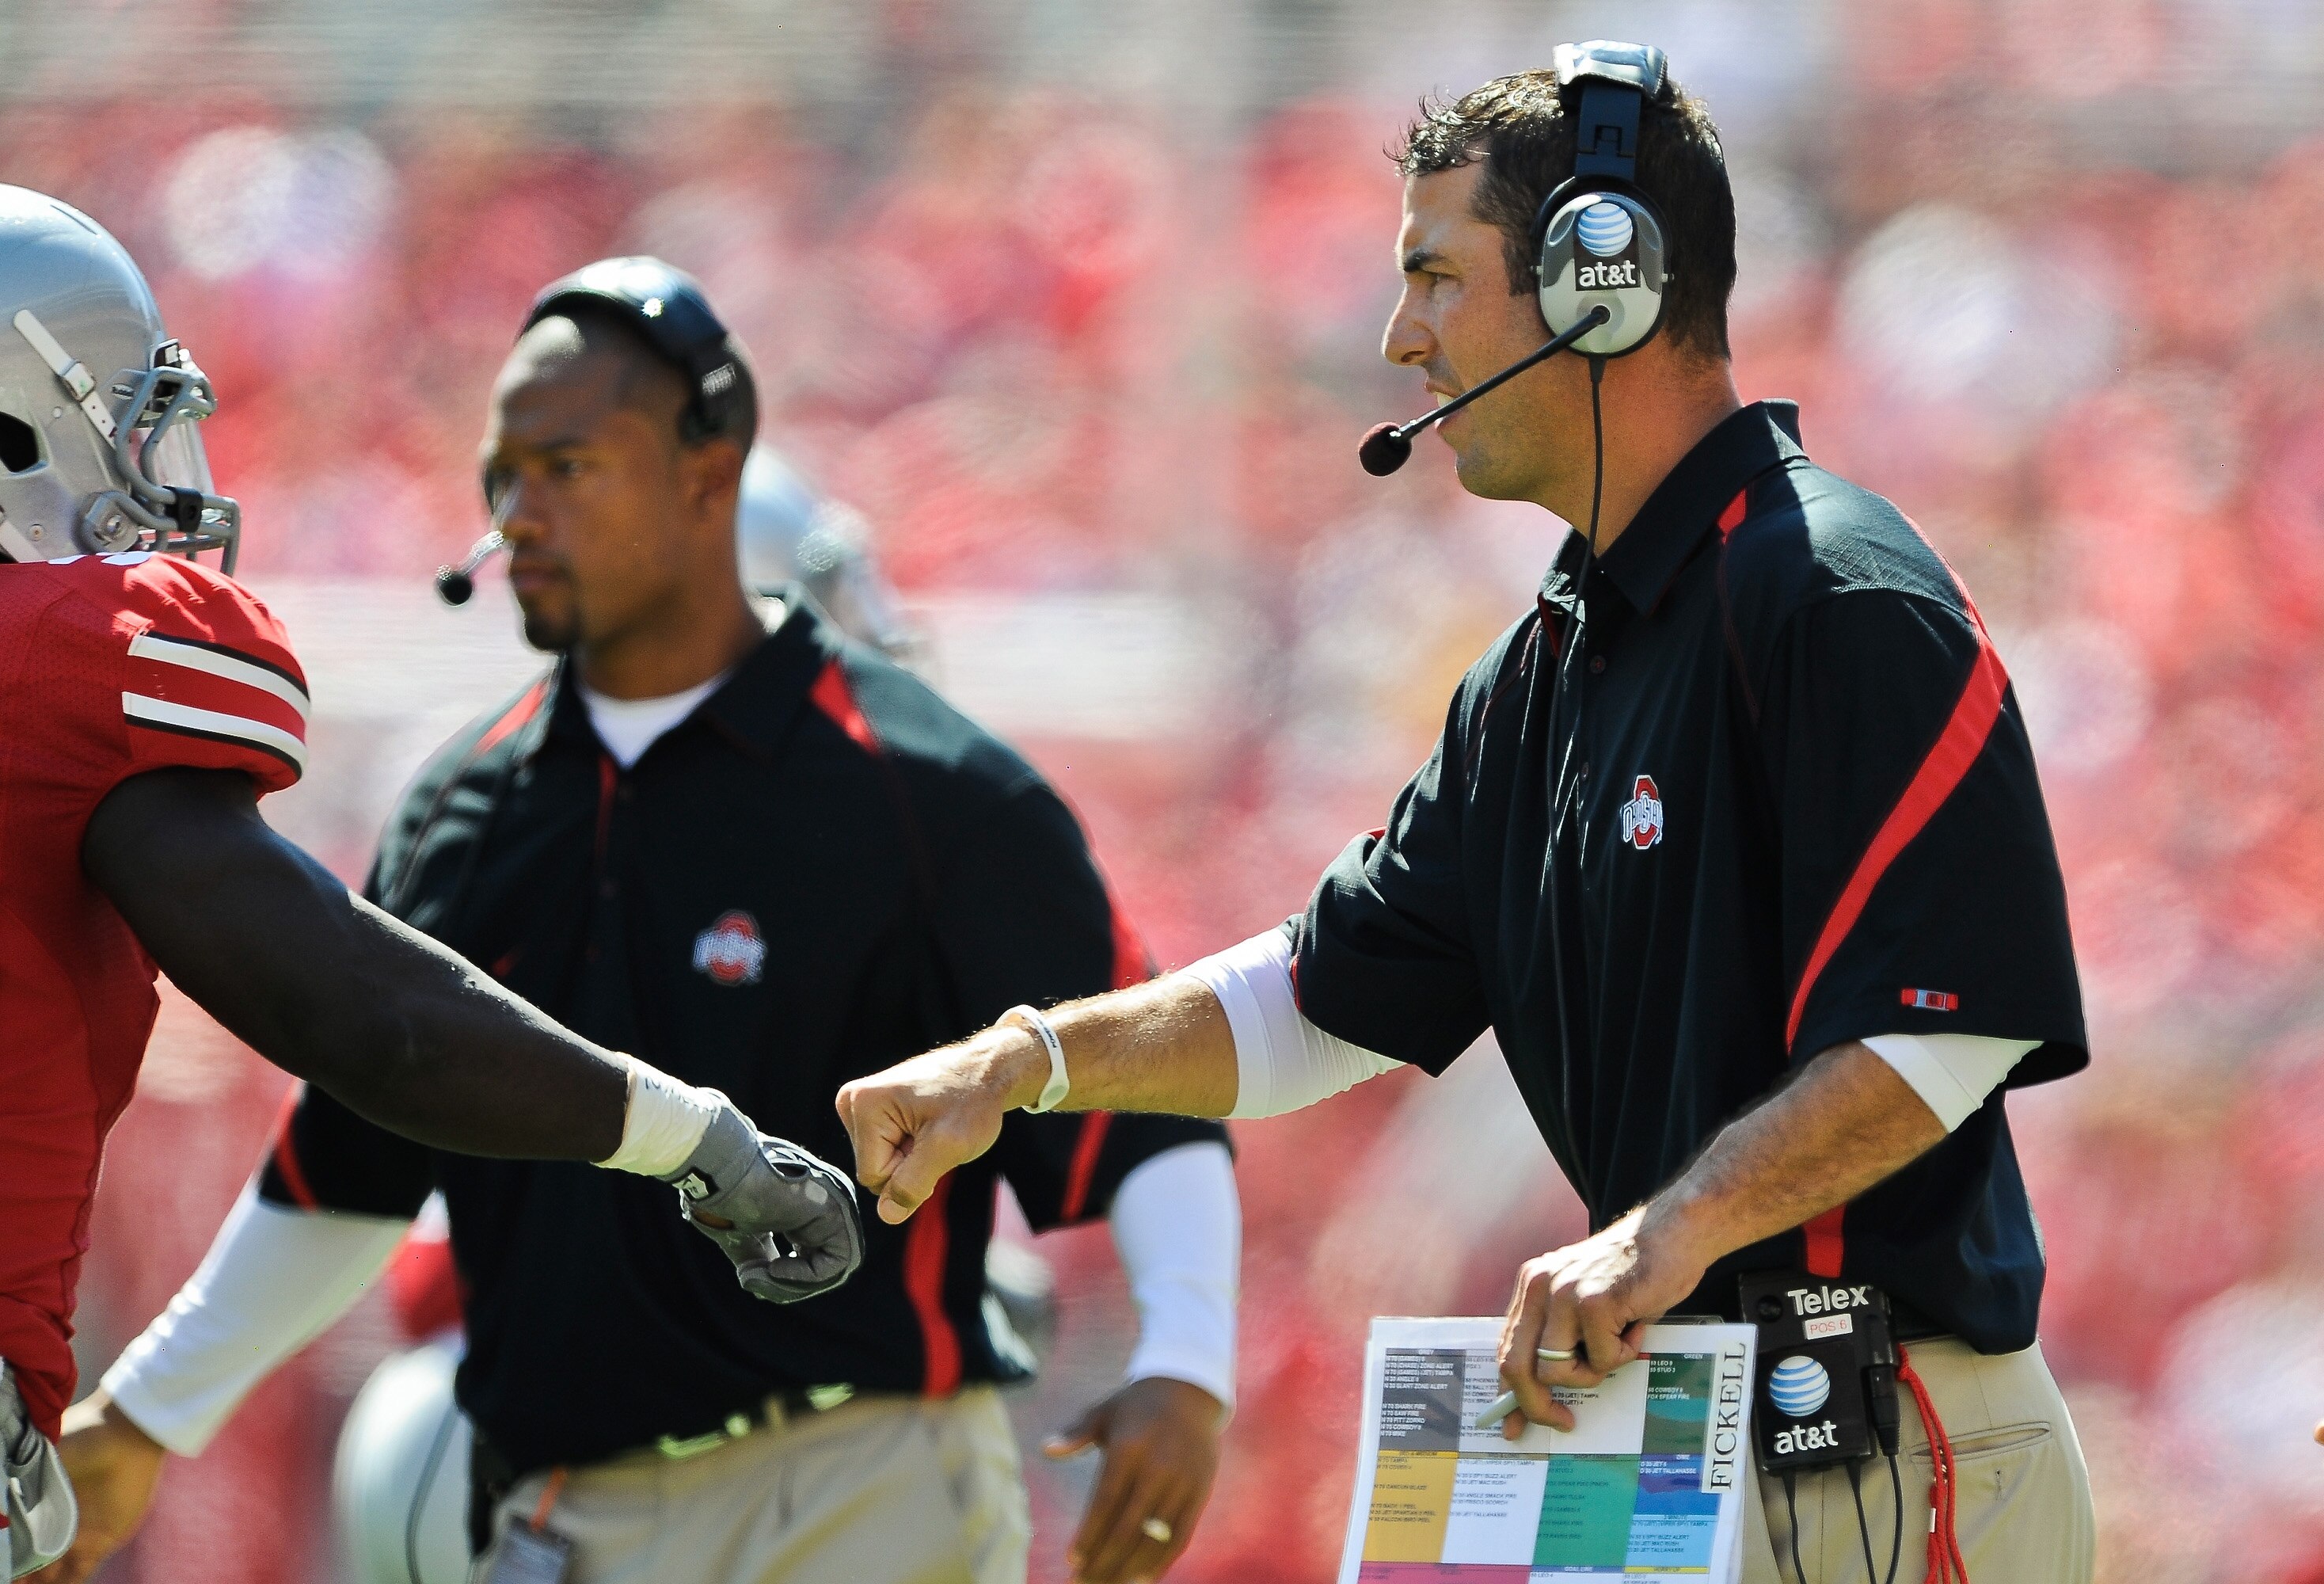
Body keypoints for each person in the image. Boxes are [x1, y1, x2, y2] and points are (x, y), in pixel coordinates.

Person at [835, 48, 2097, 1584]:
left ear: (1600, 284)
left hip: (1871, 1426)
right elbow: (1320, 998)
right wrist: (1025, 1060)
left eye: (1436, 276)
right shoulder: (1550, 660)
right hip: (1697, 1427)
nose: (1400, 335)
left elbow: (1943, 1029)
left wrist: (1664, 1228)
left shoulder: (1831, 593)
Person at [56, 258, 1240, 1584]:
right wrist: (148, 1413)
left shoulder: (929, 785)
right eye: (503, 472)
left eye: (570, 465)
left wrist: (1187, 1366)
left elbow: (1134, 1098)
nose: (519, 511)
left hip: (860, 1491)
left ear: (708, 468)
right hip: (567, 1516)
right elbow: (350, 1165)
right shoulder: (462, 806)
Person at [0, 186, 859, 1584]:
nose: (155, 468)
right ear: (3, 419)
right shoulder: (48, 658)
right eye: (123, 418)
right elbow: (369, 1022)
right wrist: (688, 1139)